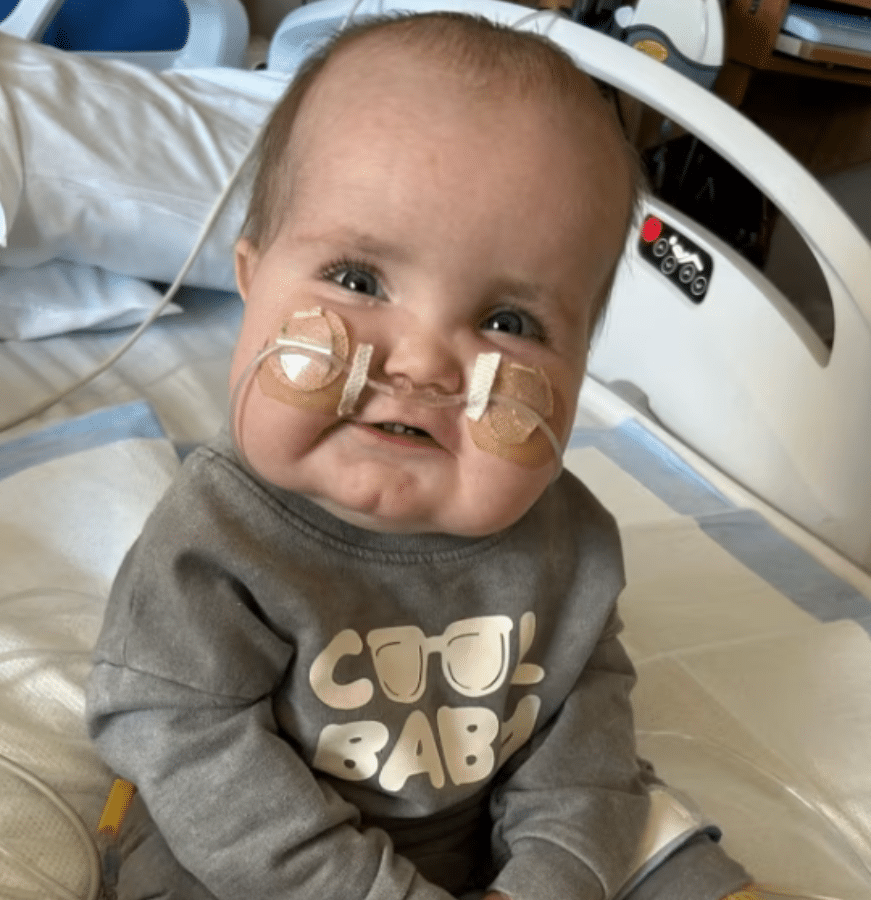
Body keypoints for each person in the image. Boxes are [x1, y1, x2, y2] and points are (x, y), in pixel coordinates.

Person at [86, 11, 756, 900]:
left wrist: (546, 882)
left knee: (672, 857)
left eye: (509, 324)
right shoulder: (213, 542)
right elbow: (181, 731)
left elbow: (582, 760)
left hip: (499, 830)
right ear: (250, 284)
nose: (424, 363)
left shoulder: (573, 548)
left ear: (580, 368)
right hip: (259, 842)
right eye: (358, 281)